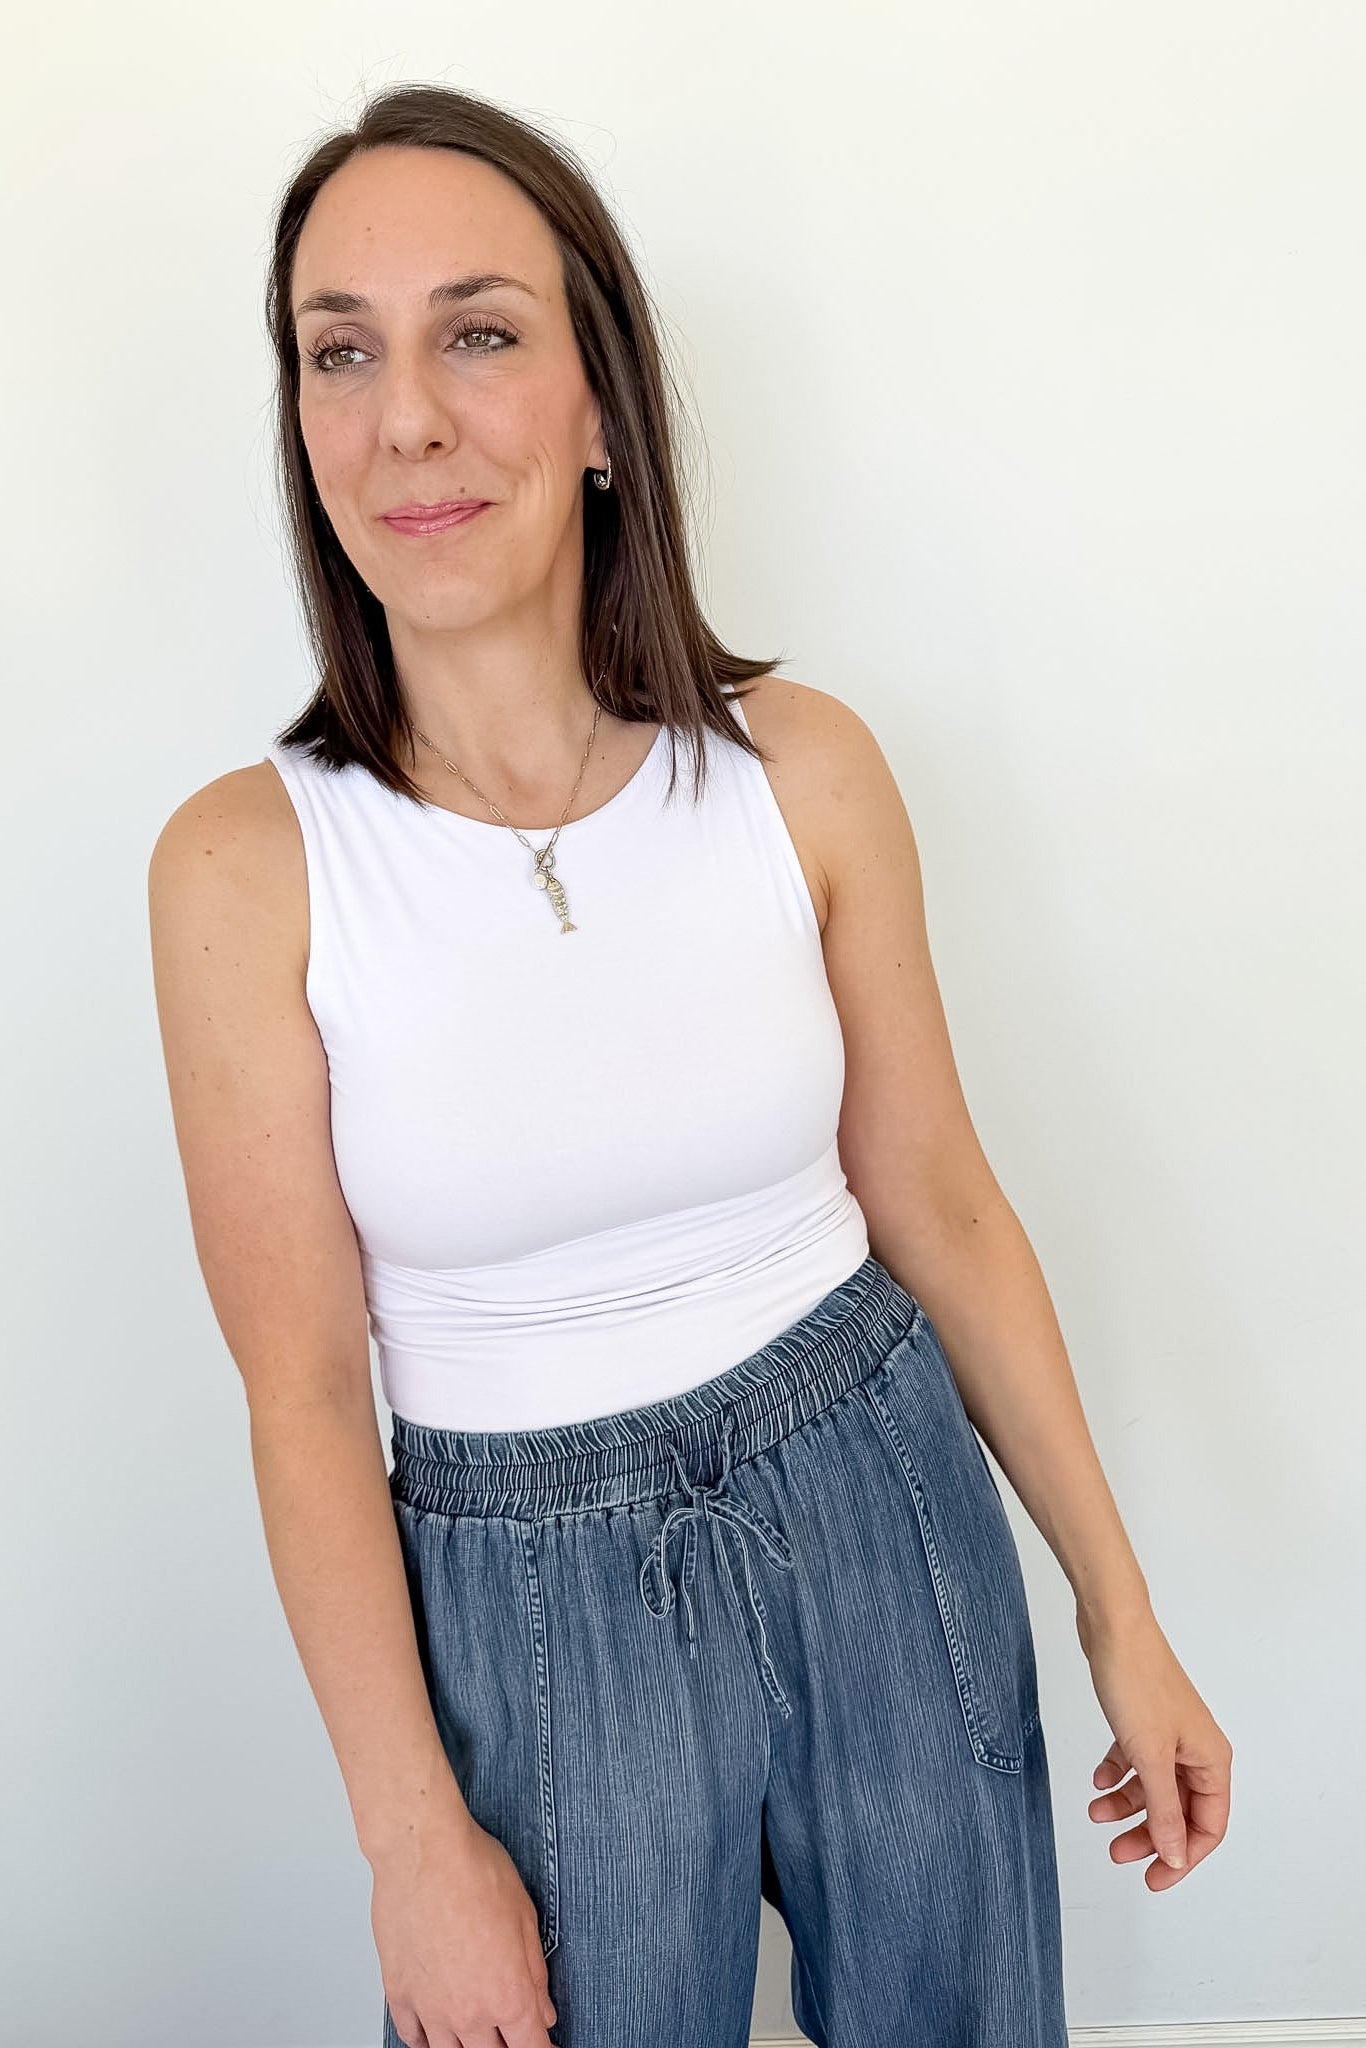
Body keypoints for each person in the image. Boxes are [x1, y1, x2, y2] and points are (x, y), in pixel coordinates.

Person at [147, 82, 1232, 2048]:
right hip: (524, 1598)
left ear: (597, 409)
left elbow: (946, 1210)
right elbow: (302, 1393)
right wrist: (412, 1841)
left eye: (476, 331)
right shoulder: (246, 869)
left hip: (877, 1491)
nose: (402, 417)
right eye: (338, 350)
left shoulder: (799, 770)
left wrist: (1118, 1615)